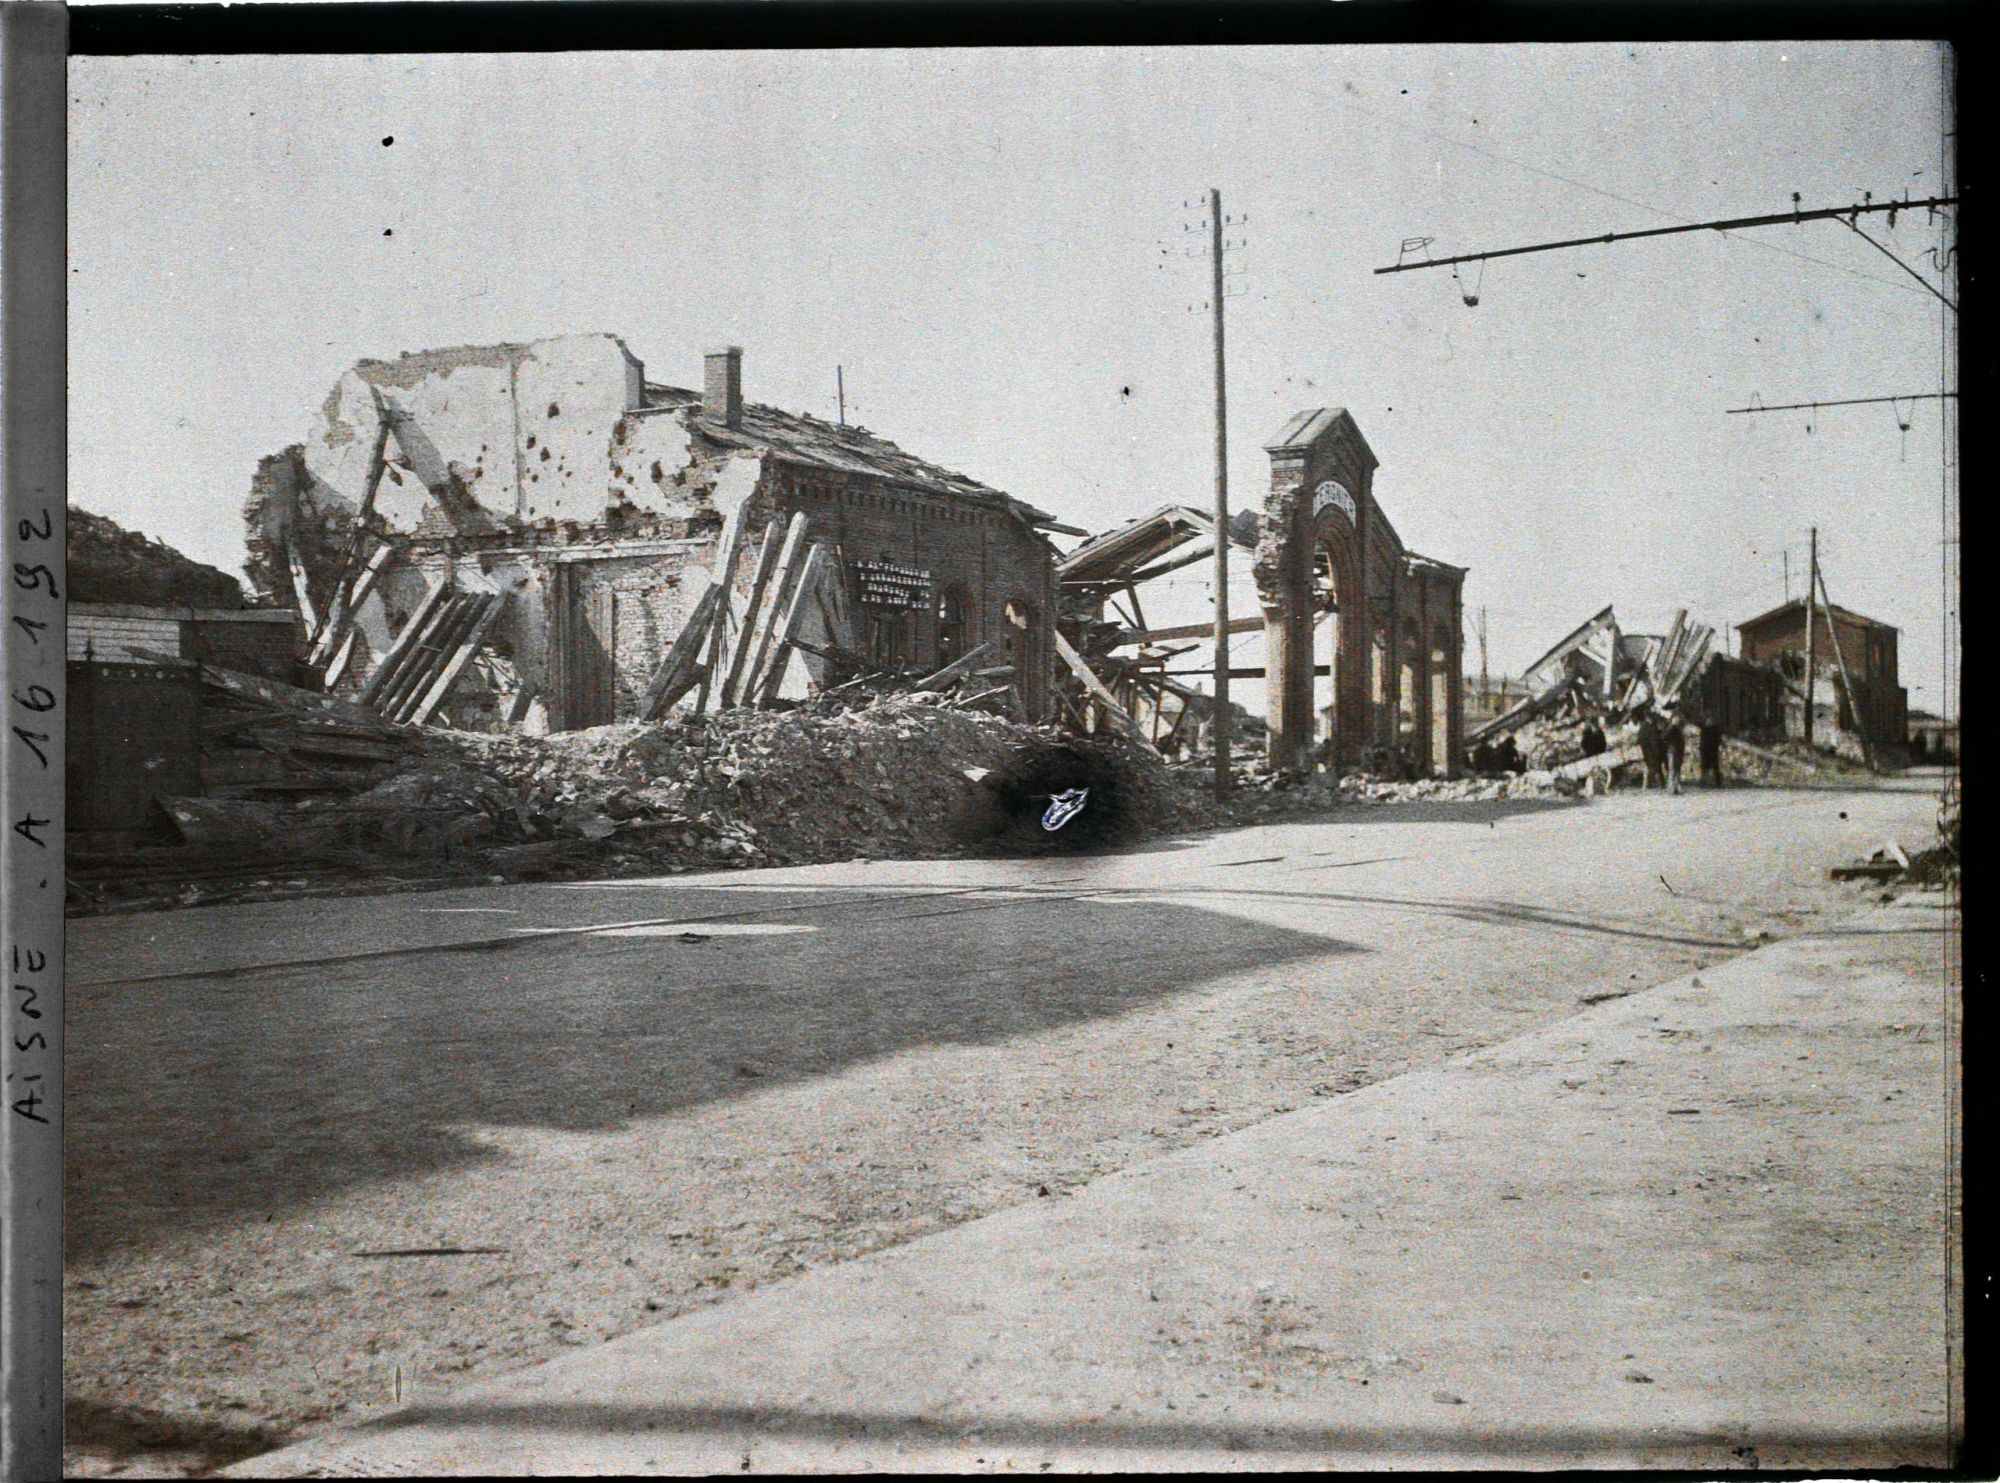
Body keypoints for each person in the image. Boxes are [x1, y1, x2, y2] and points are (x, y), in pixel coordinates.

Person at [1636, 712, 1665, 789]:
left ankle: (1653, 782)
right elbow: (1654, 740)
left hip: (1647, 750)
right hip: (1652, 750)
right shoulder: (1651, 727)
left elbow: (1640, 739)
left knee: (1653, 766)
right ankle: (1659, 783)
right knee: (1656, 767)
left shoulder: (1645, 726)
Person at [1664, 712, 1688, 796]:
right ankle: (1671, 788)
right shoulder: (1672, 728)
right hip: (1673, 751)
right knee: (1673, 770)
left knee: (1677, 769)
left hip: (1678, 751)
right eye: (1675, 719)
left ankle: (1676, 787)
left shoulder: (1678, 729)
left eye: (1677, 719)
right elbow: (1665, 737)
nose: (1676, 720)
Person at [1698, 722, 1723, 787]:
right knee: (1713, 767)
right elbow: (1719, 740)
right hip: (1712, 751)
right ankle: (1715, 782)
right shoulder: (1715, 730)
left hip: (1707, 751)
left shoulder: (1705, 730)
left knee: (1707, 768)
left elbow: (1702, 741)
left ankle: (1706, 782)